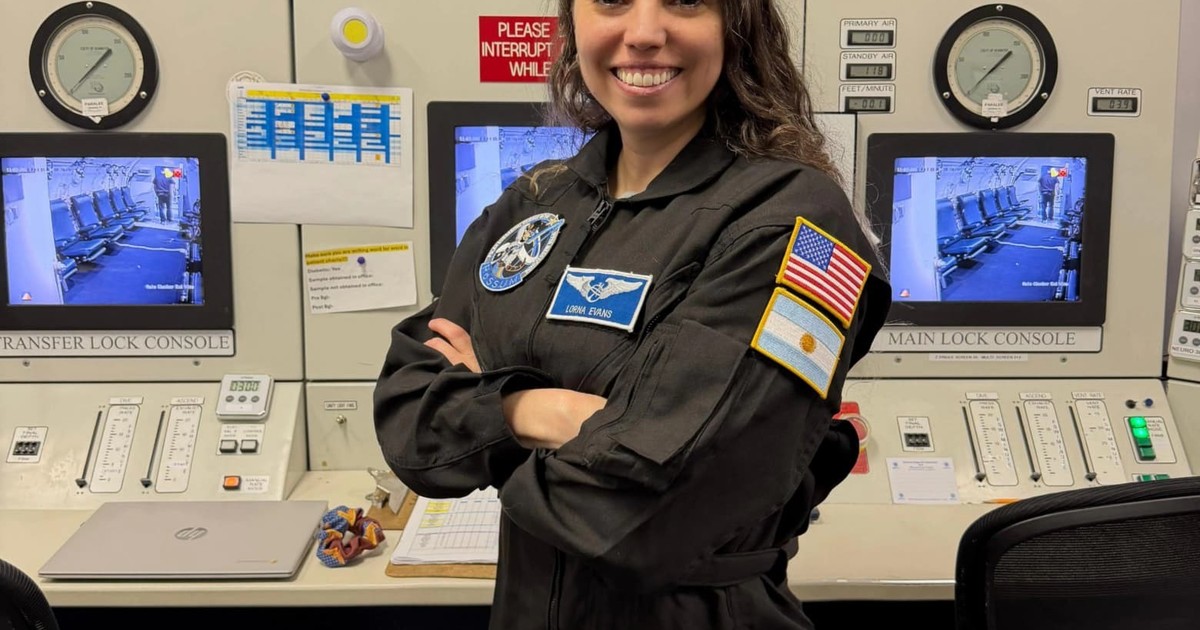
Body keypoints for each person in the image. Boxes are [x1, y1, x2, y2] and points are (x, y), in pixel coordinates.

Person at [374, 0, 890, 628]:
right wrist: (551, 414)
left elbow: (642, 515)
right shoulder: (535, 201)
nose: (644, 33)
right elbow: (408, 418)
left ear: (736, 25)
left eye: (685, 1)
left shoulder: (796, 223)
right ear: (574, 24)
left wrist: (482, 419)